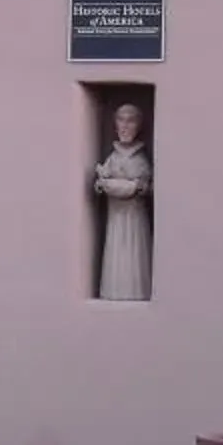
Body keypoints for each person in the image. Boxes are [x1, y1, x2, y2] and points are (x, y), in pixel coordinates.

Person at [93, 99, 152, 300]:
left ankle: (135, 292)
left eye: (131, 121)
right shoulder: (114, 156)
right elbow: (101, 183)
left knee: (133, 256)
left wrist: (117, 185)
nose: (125, 126)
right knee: (115, 257)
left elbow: (138, 187)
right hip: (115, 217)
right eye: (121, 120)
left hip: (133, 218)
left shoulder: (140, 159)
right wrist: (103, 183)